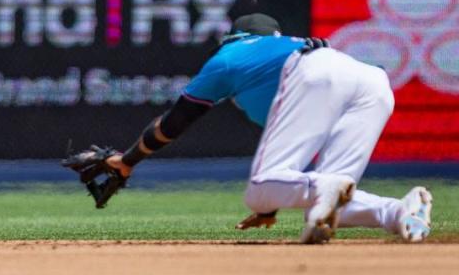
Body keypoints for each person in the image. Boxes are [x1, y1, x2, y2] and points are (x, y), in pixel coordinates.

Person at [101, 13, 433, 243]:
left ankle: (325, 189)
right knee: (325, 204)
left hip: (315, 74)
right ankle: (399, 213)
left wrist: (128, 160)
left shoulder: (228, 58)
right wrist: (273, 203)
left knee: (259, 189)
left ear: (234, 37)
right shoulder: (291, 45)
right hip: (371, 81)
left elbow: (174, 122)